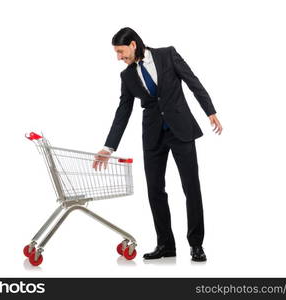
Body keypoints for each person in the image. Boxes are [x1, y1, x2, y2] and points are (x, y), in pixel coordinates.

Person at [92, 27, 222, 262]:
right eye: (116, 53)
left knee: (191, 188)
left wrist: (210, 111)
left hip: (181, 129)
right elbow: (123, 111)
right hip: (153, 136)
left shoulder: (167, 55)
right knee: (155, 190)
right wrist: (108, 147)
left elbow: (193, 81)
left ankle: (196, 245)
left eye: (120, 52)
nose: (118, 57)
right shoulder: (127, 76)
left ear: (133, 44)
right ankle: (165, 244)